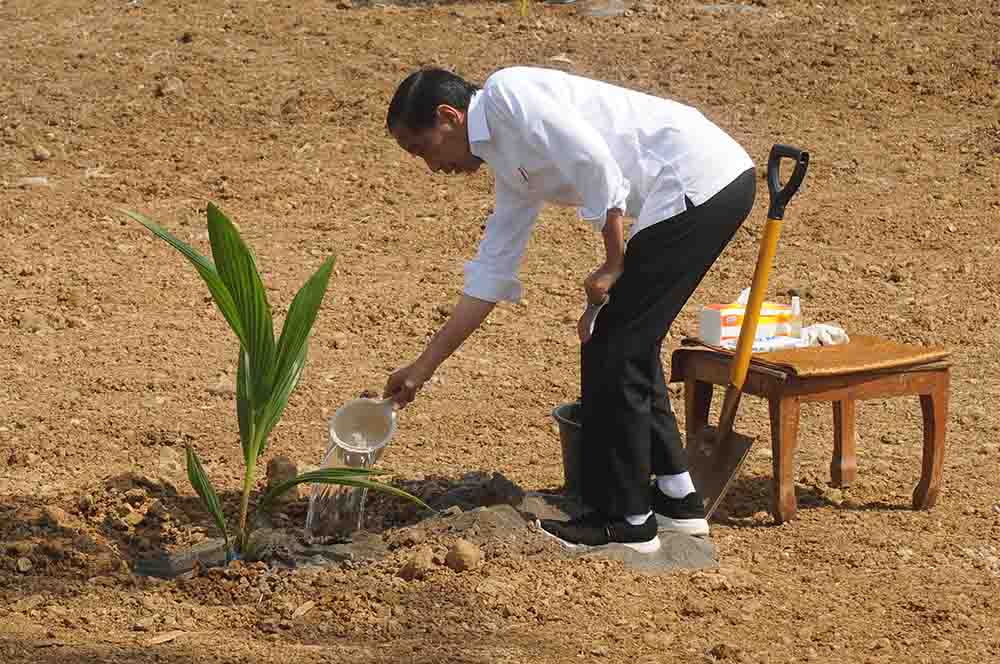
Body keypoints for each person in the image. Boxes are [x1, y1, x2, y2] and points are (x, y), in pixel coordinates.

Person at [382, 66, 756, 553]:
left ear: (448, 117)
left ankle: (625, 518)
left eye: (422, 149)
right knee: (627, 341)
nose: (431, 167)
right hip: (694, 189)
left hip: (700, 180)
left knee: (613, 341)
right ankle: (677, 500)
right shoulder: (510, 167)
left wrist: (613, 263)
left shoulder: (508, 95)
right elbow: (491, 276)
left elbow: (596, 163)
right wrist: (421, 369)